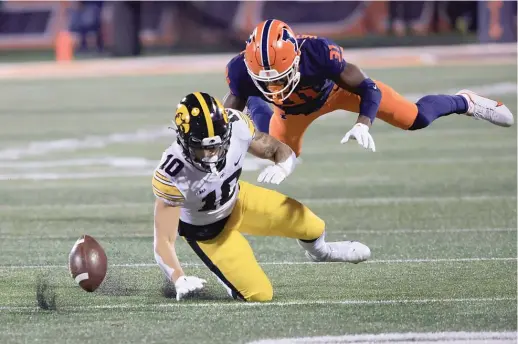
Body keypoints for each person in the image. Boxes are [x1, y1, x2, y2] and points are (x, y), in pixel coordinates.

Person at [152, 92, 371, 302]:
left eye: (219, 145)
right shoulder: (172, 173)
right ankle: (230, 280)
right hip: (208, 232)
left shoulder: (237, 125)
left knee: (312, 226)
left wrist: (284, 166)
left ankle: (323, 253)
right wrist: (178, 278)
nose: (213, 154)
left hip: (239, 200)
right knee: (260, 294)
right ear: (183, 140)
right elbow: (163, 240)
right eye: (203, 148)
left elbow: (276, 148)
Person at [224, 19, 514, 156]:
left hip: (337, 92)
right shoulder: (241, 71)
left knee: (415, 118)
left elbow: (369, 88)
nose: (275, 84)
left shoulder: (319, 53)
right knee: (279, 155)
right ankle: (257, 107)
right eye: (266, 79)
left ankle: (466, 102)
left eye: (280, 75)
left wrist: (364, 122)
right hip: (292, 111)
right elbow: (226, 119)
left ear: (296, 58)